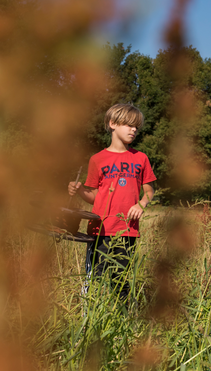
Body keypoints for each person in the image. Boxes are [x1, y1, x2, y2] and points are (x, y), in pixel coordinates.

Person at [68, 103, 156, 300]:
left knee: (121, 283)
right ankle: (88, 323)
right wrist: (80, 189)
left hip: (127, 231)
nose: (134, 130)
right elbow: (94, 197)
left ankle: (121, 324)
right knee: (94, 280)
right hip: (100, 230)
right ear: (113, 123)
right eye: (129, 125)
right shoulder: (97, 159)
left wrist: (141, 204)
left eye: (136, 127)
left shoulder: (141, 158)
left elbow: (149, 191)